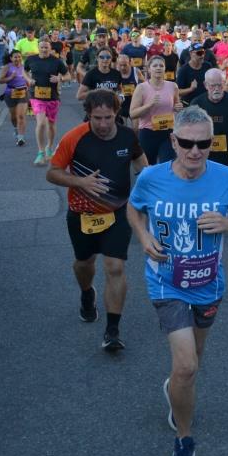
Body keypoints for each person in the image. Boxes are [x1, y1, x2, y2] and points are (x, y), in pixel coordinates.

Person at [127, 106, 228, 456]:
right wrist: (143, 236)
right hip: (165, 282)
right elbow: (133, 210)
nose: (195, 151)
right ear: (173, 141)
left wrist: (226, 223)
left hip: (208, 283)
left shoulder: (226, 177)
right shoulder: (151, 177)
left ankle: (176, 388)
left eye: (203, 144)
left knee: (193, 360)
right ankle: (184, 441)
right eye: (186, 143)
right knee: (186, 366)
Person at [47, 90, 147, 351]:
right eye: (97, 118)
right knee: (84, 263)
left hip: (118, 212)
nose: (103, 124)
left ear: (117, 114)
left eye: (108, 118)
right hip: (83, 215)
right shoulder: (74, 138)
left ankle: (112, 330)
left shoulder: (127, 136)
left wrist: (151, 189)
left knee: (115, 266)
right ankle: (86, 292)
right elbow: (53, 173)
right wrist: (80, 182)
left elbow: (141, 165)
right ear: (88, 115)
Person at [130, 56, 182, 165]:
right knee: (149, 167)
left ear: (164, 69)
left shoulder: (173, 86)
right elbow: (133, 114)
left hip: (168, 132)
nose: (158, 68)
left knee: (168, 165)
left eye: (161, 66)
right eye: (155, 66)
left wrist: (177, 107)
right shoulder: (141, 88)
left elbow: (176, 105)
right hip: (148, 133)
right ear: (149, 69)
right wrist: (149, 105)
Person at [24, 39, 69, 165]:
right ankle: (40, 152)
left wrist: (60, 78)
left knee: (51, 124)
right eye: (42, 47)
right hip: (36, 96)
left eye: (46, 47)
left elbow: (69, 76)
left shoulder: (57, 61)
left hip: (52, 97)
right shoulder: (31, 59)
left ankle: (49, 146)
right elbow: (24, 70)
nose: (44, 49)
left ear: (50, 48)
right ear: (38, 47)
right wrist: (28, 79)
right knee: (41, 123)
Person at [192, 70, 228, 169]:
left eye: (220, 85)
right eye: (212, 86)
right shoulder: (197, 104)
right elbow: (189, 128)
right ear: (205, 85)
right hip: (204, 155)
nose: (216, 89)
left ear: (224, 83)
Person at [0, 50, 29, 146]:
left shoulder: (24, 67)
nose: (17, 59)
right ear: (11, 58)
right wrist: (10, 77)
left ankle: (21, 137)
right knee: (13, 116)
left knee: (21, 116)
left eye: (19, 57)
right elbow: (0, 80)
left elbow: (28, 79)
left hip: (23, 93)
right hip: (10, 93)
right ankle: (16, 128)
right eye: (15, 57)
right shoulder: (7, 67)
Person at [116, 54, 143, 128]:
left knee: (136, 129)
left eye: (125, 65)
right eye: (120, 65)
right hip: (121, 105)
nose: (122, 67)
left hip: (134, 104)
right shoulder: (115, 73)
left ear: (130, 63)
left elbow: (144, 85)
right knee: (122, 129)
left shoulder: (136, 71)